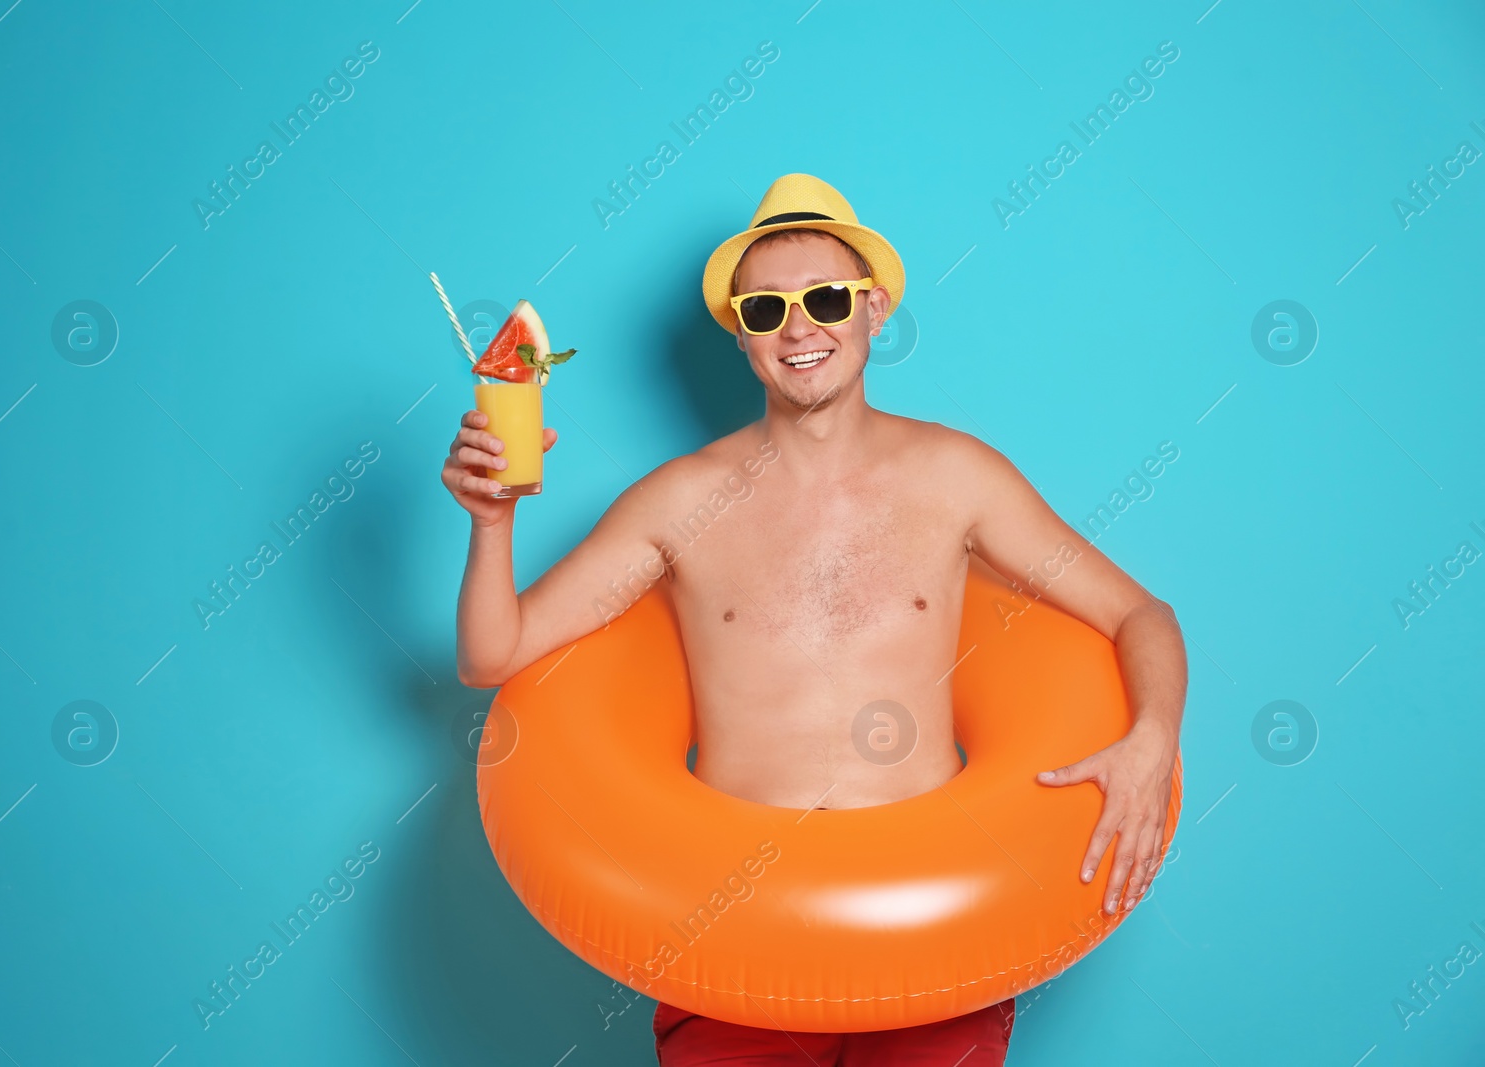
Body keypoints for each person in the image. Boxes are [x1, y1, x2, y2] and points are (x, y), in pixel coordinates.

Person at [444, 173, 1186, 1065]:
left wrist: (1151, 735)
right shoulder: (678, 502)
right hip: (733, 933)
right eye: (768, 310)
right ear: (742, 333)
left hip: (929, 924)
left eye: (826, 299)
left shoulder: (958, 479)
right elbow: (494, 655)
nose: (799, 329)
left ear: (872, 309)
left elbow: (1140, 612)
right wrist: (493, 523)